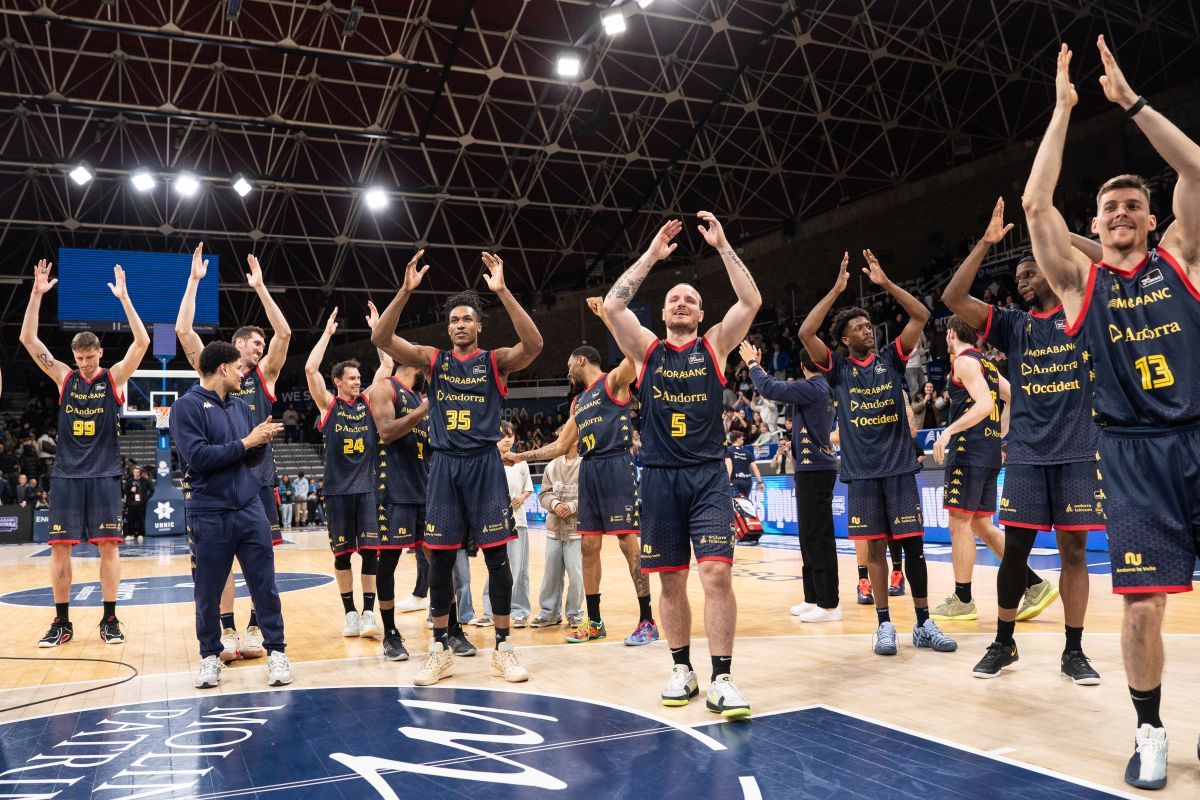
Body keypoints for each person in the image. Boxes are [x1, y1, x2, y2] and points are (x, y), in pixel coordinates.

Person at [1022, 38, 1200, 789]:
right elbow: (1036, 204)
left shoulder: (1183, 259)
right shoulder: (1077, 283)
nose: (1120, 214)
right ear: (1092, 224)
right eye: (1108, 208)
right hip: (1128, 456)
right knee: (1141, 612)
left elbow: (1196, 168)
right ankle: (1151, 731)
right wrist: (1063, 110)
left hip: (1196, 437)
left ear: (1152, 220)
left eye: (1132, 205)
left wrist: (1130, 102)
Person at [603, 213, 759, 720]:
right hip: (659, 477)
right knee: (670, 580)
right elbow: (613, 305)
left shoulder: (714, 345)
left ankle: (722, 678)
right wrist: (651, 255)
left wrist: (722, 246)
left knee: (715, 574)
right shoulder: (645, 351)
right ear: (665, 312)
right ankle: (681, 667)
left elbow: (751, 302)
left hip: (709, 475)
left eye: (690, 299)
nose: (682, 303)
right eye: (674, 299)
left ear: (700, 312)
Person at [942, 198, 1103, 684]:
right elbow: (953, 298)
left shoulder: (1083, 313)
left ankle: (1073, 650)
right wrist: (986, 244)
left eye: (1030, 271)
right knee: (1015, 551)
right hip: (1029, 453)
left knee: (1074, 553)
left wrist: (1058, 234)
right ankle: (1003, 642)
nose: (1021, 280)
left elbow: (1110, 261)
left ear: (1053, 270)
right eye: (1018, 276)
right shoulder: (1014, 325)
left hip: (1077, 448)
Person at [372, 249, 543, 686]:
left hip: (484, 463)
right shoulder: (433, 360)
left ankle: (503, 648)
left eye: (467, 318)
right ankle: (439, 648)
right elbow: (382, 338)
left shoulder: (495, 360)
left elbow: (535, 345)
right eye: (453, 320)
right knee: (441, 561)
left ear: (479, 326)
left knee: (498, 558)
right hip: (444, 466)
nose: (460, 325)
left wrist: (502, 291)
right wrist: (405, 291)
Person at [800, 250, 956, 657]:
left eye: (868, 325)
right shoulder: (836, 369)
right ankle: (884, 625)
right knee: (875, 551)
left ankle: (923, 623)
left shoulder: (891, 359)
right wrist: (836, 291)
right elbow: (805, 332)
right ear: (844, 339)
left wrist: (886, 284)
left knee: (914, 549)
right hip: (863, 475)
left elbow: (921, 315)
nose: (867, 331)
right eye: (857, 328)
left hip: (900, 469)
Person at [505, 298, 657, 645]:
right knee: (588, 546)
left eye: (569, 364)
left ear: (582, 360)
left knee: (627, 543)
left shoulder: (613, 383)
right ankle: (595, 621)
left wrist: (606, 316)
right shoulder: (578, 402)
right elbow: (560, 447)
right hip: (590, 471)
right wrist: (519, 456)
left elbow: (634, 356)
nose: (567, 369)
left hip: (616, 465)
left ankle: (647, 619)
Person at [20, 259, 150, 647]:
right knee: (59, 548)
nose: (86, 365)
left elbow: (141, 343)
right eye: (80, 360)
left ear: (99, 353)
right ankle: (62, 623)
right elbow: (29, 340)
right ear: (74, 358)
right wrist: (36, 294)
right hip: (66, 474)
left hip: (105, 472)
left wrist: (125, 299)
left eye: (91, 359)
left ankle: (110, 619)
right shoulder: (64, 376)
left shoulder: (114, 377)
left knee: (109, 546)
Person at [177, 244, 291, 662]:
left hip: (258, 476)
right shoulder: (214, 370)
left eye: (262, 345)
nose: (260, 349)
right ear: (236, 348)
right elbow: (184, 331)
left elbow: (285, 334)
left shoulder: (265, 375)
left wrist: (261, 288)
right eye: (254, 343)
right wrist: (193, 283)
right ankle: (225, 630)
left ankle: (259, 627)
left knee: (262, 562)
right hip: (220, 478)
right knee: (218, 564)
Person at [170, 341, 289, 689]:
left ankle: (277, 652)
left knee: (265, 585)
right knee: (207, 592)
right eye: (238, 368)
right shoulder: (185, 407)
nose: (243, 373)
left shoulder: (239, 406)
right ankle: (209, 656)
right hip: (209, 511)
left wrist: (261, 441)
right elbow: (199, 458)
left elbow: (248, 458)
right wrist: (248, 442)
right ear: (223, 368)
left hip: (250, 508)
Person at [740, 341, 840, 622]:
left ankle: (829, 603)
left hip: (817, 469)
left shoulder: (815, 387)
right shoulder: (816, 388)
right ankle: (814, 597)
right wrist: (761, 368)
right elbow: (776, 388)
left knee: (818, 537)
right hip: (811, 469)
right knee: (808, 536)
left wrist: (752, 365)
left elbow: (771, 388)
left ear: (804, 365)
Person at [929, 315, 1017, 621]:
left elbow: (984, 405)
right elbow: (1011, 396)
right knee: (981, 524)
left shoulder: (963, 362)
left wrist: (949, 430)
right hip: (989, 451)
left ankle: (963, 599)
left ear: (951, 333)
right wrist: (1001, 438)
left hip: (969, 452)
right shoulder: (988, 363)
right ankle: (1033, 583)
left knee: (959, 524)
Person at [305, 309, 383, 641]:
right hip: (337, 490)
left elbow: (388, 367)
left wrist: (377, 331)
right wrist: (326, 334)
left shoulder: (367, 402)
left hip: (367, 488)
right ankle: (349, 613)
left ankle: (368, 612)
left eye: (358, 378)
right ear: (338, 382)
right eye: (351, 378)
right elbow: (310, 369)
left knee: (369, 553)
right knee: (341, 556)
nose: (357, 381)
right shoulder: (328, 406)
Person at [368, 343, 430, 662]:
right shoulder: (384, 388)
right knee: (388, 560)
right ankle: (391, 634)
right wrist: (423, 410)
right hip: (393, 490)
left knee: (439, 558)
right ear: (416, 366)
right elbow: (387, 432)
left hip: (425, 491)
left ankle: (449, 629)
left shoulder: (422, 401)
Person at [480, 421, 533, 626]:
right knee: (495, 567)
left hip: (518, 521)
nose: (508, 439)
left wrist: (522, 497)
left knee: (519, 568)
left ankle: (519, 611)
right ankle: (488, 611)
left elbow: (528, 488)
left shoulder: (521, 462)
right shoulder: (487, 462)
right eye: (503, 436)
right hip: (494, 522)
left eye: (511, 436)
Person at [536, 443, 583, 626]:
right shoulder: (552, 465)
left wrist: (572, 506)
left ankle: (575, 613)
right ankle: (549, 613)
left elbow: (591, 494)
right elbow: (544, 494)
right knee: (551, 574)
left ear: (575, 439)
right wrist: (555, 504)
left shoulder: (585, 464)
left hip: (576, 529)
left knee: (576, 574)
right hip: (554, 529)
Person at [725, 431, 763, 498]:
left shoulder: (728, 450)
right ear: (738, 439)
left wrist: (726, 481)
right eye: (742, 438)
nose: (743, 440)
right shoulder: (747, 452)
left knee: (735, 503)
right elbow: (755, 468)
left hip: (735, 481)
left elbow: (729, 466)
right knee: (745, 502)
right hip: (747, 482)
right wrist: (760, 482)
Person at [123, 466, 151, 540]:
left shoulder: (145, 481)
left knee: (141, 519)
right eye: (135, 472)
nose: (136, 473)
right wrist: (131, 490)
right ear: (133, 472)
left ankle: (141, 534)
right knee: (130, 519)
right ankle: (130, 534)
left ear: (140, 473)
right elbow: (124, 491)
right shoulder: (129, 481)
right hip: (131, 503)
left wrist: (146, 499)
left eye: (137, 472)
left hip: (141, 503)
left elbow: (152, 489)